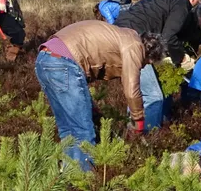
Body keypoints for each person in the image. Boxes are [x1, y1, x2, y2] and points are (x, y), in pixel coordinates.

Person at [35, 20, 166, 170]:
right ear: (149, 55)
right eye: (147, 63)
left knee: (68, 129)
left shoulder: (122, 35)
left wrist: (91, 108)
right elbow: (132, 90)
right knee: (83, 132)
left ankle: (68, 177)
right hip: (64, 63)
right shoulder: (134, 45)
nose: (143, 67)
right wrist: (138, 123)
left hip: (45, 60)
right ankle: (82, 183)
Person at [115, 0, 201, 131]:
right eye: (198, 0)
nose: (196, 4)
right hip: (132, 41)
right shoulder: (181, 4)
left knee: (139, 92)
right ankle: (149, 137)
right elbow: (169, 36)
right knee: (153, 95)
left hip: (120, 33)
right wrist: (182, 59)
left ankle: (131, 133)